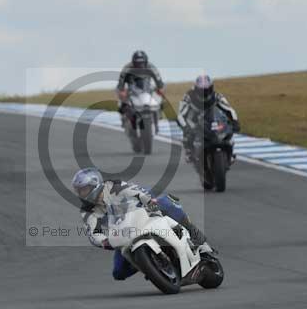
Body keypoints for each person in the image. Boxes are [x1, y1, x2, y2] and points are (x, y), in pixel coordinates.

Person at [71, 167, 216, 281]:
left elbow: (134, 191)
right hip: (123, 234)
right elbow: (92, 232)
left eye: (84, 189)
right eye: (79, 191)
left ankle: (199, 239)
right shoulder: (87, 210)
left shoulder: (113, 186)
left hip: (143, 214)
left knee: (166, 203)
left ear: (94, 185)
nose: (81, 194)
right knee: (118, 273)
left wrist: (147, 200)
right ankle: (151, 265)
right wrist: (102, 241)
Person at [177, 75, 240, 163]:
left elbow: (229, 109)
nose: (205, 93)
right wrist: (185, 127)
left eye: (207, 90)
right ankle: (189, 152)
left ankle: (230, 150)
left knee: (228, 126)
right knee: (188, 133)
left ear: (211, 88)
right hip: (195, 117)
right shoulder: (188, 96)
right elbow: (180, 114)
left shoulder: (217, 95)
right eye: (201, 91)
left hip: (213, 116)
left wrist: (235, 121)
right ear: (196, 89)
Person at [116, 50, 165, 125]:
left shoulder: (151, 67)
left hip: (147, 88)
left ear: (145, 62)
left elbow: (158, 80)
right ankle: (124, 116)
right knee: (122, 96)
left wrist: (160, 88)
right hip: (132, 88)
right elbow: (121, 81)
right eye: (137, 64)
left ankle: (159, 113)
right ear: (133, 62)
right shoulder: (127, 68)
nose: (140, 66)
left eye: (141, 63)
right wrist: (122, 90)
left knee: (160, 94)